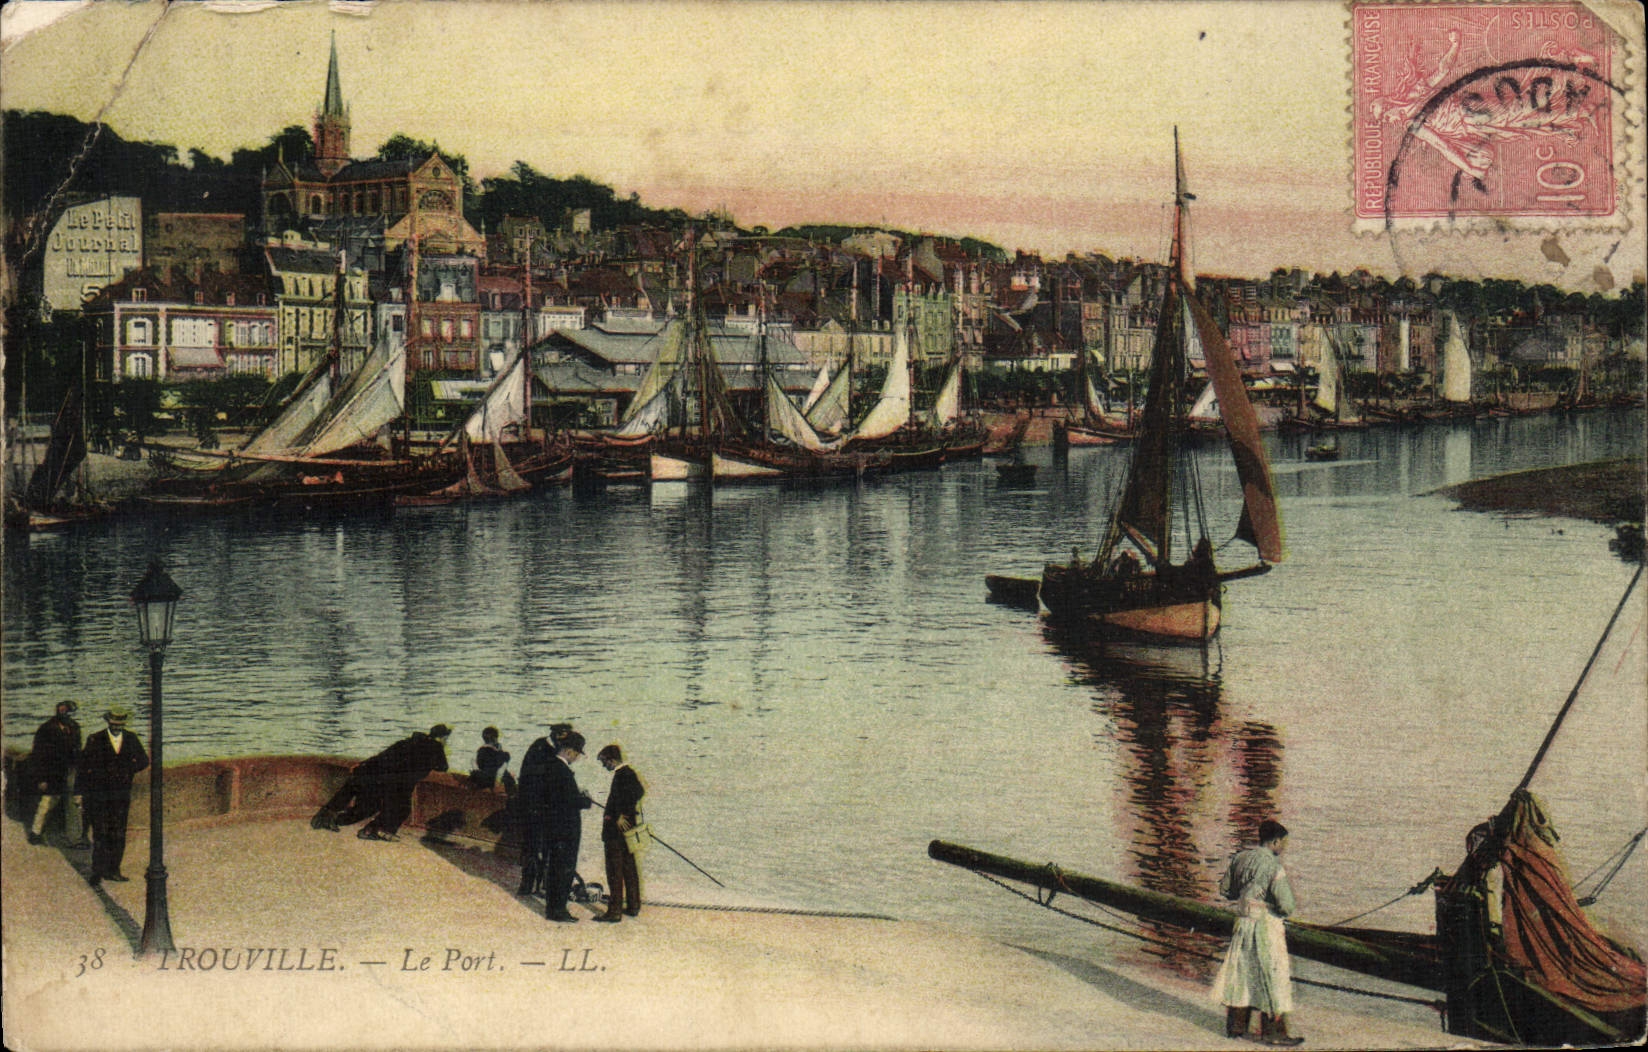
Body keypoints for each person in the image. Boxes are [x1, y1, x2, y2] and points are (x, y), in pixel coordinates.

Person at [1212, 820, 1304, 1046]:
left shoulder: (1240, 858)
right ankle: (1274, 1032)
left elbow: (1225, 890)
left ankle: (1236, 1027)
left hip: (1243, 923)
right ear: (1274, 841)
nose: (1283, 847)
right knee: (1272, 974)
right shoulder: (1274, 866)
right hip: (1266, 925)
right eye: (1283, 843)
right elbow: (1287, 905)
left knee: (1241, 973)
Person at [310, 724, 452, 841]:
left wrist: (361, 765)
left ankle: (327, 818)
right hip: (395, 783)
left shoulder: (406, 742)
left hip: (371, 773)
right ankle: (374, 830)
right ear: (442, 738)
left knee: (366, 805)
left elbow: (382, 756)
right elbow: (443, 767)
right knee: (401, 808)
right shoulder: (436, 747)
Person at [77, 706, 149, 886]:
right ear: (108, 722)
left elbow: (143, 760)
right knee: (100, 833)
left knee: (118, 833)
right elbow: (83, 768)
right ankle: (97, 871)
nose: (117, 727)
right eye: (114, 723)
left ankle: (114, 870)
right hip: (98, 796)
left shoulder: (131, 739)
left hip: (121, 795)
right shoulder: (95, 739)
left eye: (120, 724)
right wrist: (78, 793)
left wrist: (128, 771)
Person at [537, 731, 592, 922]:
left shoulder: (551, 766)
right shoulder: (561, 770)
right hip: (565, 828)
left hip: (554, 826)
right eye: (577, 753)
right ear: (569, 751)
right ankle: (558, 910)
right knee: (564, 868)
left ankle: (554, 908)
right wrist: (585, 800)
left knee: (555, 867)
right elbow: (567, 800)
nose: (577, 757)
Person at [514, 722, 575, 896]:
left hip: (548, 807)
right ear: (556, 734)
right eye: (565, 736)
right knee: (533, 847)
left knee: (547, 848)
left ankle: (542, 885)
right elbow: (529, 775)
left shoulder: (556, 748)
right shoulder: (539, 746)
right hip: (535, 806)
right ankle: (527, 884)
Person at [593, 743, 645, 923]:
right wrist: (626, 812)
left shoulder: (623, 774)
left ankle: (614, 912)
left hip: (616, 833)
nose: (603, 766)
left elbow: (635, 793)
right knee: (629, 868)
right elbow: (638, 792)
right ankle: (633, 905)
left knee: (615, 870)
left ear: (611, 760)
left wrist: (620, 814)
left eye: (604, 762)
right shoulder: (628, 773)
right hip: (627, 830)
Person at [26, 700, 83, 846]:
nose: (66, 715)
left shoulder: (74, 727)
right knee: (46, 803)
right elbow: (38, 756)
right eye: (63, 712)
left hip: (70, 771)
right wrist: (41, 779)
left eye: (69, 712)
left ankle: (74, 838)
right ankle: (35, 832)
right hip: (52, 773)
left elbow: (78, 751)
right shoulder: (46, 729)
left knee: (73, 805)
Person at [469, 726, 515, 793]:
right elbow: (500, 771)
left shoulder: (481, 751)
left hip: (484, 779)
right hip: (495, 780)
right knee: (510, 776)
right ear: (496, 738)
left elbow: (477, 764)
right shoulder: (503, 754)